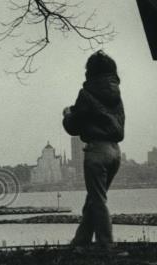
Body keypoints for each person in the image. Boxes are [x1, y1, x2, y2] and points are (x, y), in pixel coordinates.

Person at [62, 50, 125, 250]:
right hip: (115, 151)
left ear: (90, 72)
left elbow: (74, 126)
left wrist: (67, 115)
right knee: (94, 199)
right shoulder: (117, 94)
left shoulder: (86, 93)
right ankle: (80, 240)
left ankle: (106, 245)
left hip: (97, 151)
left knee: (97, 200)